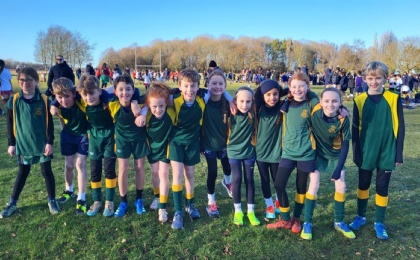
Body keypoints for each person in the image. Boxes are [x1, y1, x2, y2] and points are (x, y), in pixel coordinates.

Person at [349, 61, 405, 240]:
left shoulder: (394, 98)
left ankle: (379, 222)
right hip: (366, 150)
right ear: (364, 79)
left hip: (387, 149)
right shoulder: (359, 100)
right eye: (370, 78)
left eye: (378, 78)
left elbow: (400, 126)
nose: (374, 82)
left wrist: (398, 152)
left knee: (382, 186)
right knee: (363, 184)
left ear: (385, 78)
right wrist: (356, 152)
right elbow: (355, 129)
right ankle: (360, 216)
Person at [267, 72, 320, 241]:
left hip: (306, 153)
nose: (298, 89)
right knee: (278, 184)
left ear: (307, 87)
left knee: (300, 186)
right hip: (288, 152)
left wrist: (309, 90)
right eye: (294, 86)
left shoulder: (311, 103)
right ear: (289, 88)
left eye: (302, 86)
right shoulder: (286, 103)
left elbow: (317, 100)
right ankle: (285, 218)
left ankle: (297, 219)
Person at [0, 67, 59, 218]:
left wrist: (50, 142)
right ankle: (12, 203)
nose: (25, 83)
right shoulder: (14, 100)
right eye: (22, 80)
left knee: (46, 172)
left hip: (42, 143)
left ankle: (52, 200)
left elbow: (50, 124)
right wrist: (11, 143)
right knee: (22, 172)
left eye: (29, 80)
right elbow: (9, 123)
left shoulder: (44, 100)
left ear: (36, 81)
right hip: (23, 144)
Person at [310, 88, 355, 239]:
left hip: (336, 155)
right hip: (318, 154)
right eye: (327, 101)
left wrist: (338, 169)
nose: (330, 104)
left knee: (341, 184)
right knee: (314, 185)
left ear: (341, 103)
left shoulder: (343, 118)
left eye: (335, 101)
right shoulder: (315, 110)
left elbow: (346, 145)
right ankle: (307, 222)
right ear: (321, 102)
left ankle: (339, 221)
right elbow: (303, 90)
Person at [168, 68, 205, 229]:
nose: (190, 89)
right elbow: (151, 97)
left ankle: (190, 204)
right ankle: (178, 211)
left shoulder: (203, 99)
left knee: (189, 174)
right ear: (180, 86)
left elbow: (221, 90)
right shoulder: (173, 99)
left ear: (198, 87)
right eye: (186, 86)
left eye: (193, 86)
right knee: (177, 176)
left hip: (193, 143)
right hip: (176, 142)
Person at [77, 75, 118, 217]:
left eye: (92, 93)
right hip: (93, 139)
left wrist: (106, 95)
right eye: (85, 95)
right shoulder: (82, 104)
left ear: (99, 91)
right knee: (95, 170)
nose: (89, 98)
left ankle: (109, 201)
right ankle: (96, 201)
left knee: (109, 170)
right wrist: (53, 105)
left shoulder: (109, 102)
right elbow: (59, 97)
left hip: (109, 138)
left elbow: (132, 93)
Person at [110, 74, 150, 217]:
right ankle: (123, 201)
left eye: (128, 89)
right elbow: (100, 92)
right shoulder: (111, 102)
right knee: (123, 169)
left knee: (139, 168)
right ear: (115, 91)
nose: (124, 93)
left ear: (133, 90)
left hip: (139, 138)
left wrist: (140, 109)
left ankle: (139, 199)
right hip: (122, 140)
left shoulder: (139, 101)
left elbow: (153, 97)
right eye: (120, 89)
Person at [51, 77, 89, 215]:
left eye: (67, 96)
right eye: (59, 97)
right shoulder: (58, 105)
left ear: (74, 93)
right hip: (67, 135)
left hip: (83, 136)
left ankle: (82, 198)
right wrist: (54, 104)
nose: (63, 100)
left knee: (80, 164)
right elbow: (56, 105)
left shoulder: (81, 100)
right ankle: (69, 190)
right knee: (69, 165)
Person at [254, 80, 288, 219]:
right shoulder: (258, 107)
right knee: (264, 180)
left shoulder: (282, 106)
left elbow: (299, 92)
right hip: (260, 153)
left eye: (275, 94)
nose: (272, 97)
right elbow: (254, 97)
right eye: (268, 94)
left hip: (276, 153)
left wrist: (285, 95)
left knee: (277, 181)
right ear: (263, 95)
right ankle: (269, 205)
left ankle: (278, 203)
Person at [201, 70, 233, 218]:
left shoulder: (228, 103)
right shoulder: (202, 102)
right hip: (208, 144)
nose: (217, 86)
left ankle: (227, 183)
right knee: (212, 172)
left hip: (224, 143)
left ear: (225, 86)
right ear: (207, 84)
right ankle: (211, 201)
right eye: (214, 83)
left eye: (221, 83)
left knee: (228, 167)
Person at [228, 86, 260, 226]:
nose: (244, 105)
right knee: (237, 178)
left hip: (249, 152)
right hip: (233, 152)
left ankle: (251, 211)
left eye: (248, 101)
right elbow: (215, 94)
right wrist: (229, 101)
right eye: (241, 101)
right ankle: (238, 211)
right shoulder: (230, 112)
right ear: (235, 100)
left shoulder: (254, 112)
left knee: (249, 179)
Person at [144, 82, 175, 223]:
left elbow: (178, 95)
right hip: (152, 149)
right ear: (149, 105)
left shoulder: (171, 111)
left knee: (163, 174)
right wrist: (143, 111)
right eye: (154, 106)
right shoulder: (147, 114)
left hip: (165, 148)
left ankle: (162, 208)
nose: (158, 110)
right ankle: (157, 196)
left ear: (166, 104)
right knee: (155, 173)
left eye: (161, 106)